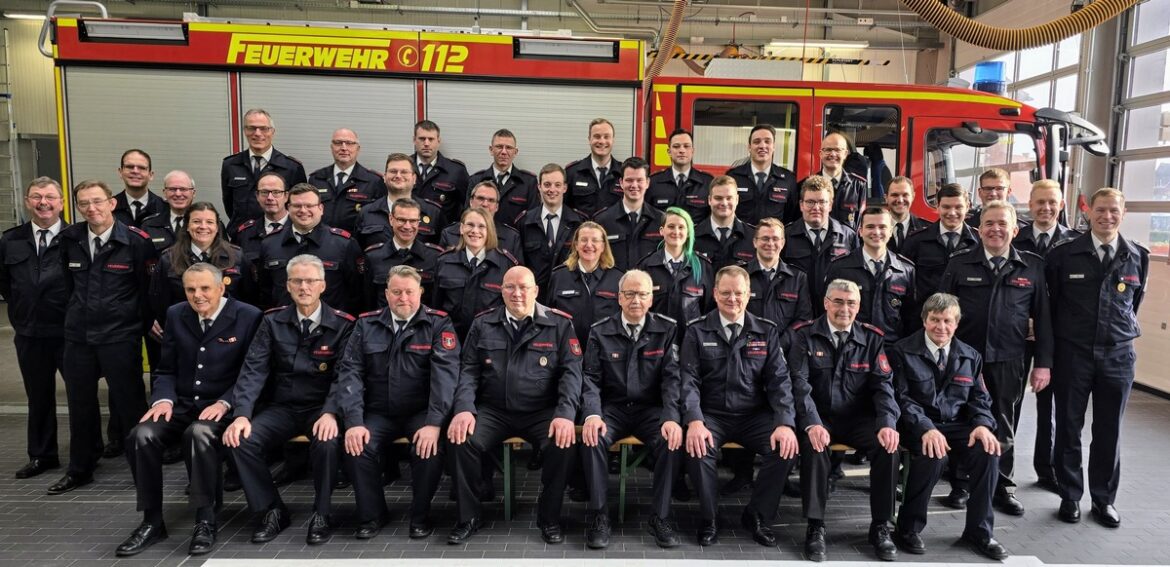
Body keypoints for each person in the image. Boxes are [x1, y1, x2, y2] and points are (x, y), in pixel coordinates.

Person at [115, 263, 263, 557]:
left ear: (222, 287)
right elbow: (166, 368)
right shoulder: (176, 314)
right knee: (140, 435)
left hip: (223, 407)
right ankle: (152, 521)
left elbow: (253, 372)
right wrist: (163, 400)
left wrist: (226, 401)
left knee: (198, 435)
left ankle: (205, 520)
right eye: (191, 289)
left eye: (205, 288)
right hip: (181, 404)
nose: (198, 296)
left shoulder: (248, 316)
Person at [446, 266, 583, 545]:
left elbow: (572, 373)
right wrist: (463, 409)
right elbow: (468, 371)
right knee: (461, 440)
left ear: (536, 290)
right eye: (510, 287)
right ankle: (469, 516)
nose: (517, 293)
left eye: (523, 287)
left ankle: (549, 518)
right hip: (494, 410)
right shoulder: (483, 323)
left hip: (541, 411)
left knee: (564, 443)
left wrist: (566, 414)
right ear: (501, 290)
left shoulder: (559, 324)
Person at [223, 254, 354, 545]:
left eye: (310, 281)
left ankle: (323, 512)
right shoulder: (271, 321)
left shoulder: (343, 325)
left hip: (320, 410)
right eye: (297, 281)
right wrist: (242, 414)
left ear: (323, 285)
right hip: (282, 408)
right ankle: (271, 509)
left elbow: (345, 376)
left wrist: (332, 413)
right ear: (288, 285)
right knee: (240, 440)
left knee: (328, 443)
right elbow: (253, 370)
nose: (304, 287)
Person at [940, 201, 1051, 516]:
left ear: (1015, 230)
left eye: (1002, 223)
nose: (995, 229)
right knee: (962, 418)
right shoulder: (960, 264)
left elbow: (1043, 319)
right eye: (989, 223)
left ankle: (1002, 486)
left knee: (1004, 421)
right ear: (979, 229)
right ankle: (961, 484)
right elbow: (940, 311)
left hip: (1008, 358)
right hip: (964, 359)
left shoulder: (1032, 267)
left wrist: (1043, 363)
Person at [1047, 187, 1148, 528]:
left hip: (1118, 356)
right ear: (1089, 211)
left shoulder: (1138, 256)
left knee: (1109, 430)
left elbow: (1132, 307)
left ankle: (1103, 500)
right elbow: (1052, 304)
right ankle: (1070, 496)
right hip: (1073, 353)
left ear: (1123, 213)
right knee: (1069, 427)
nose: (1107, 217)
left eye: (1113, 211)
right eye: (1100, 210)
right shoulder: (1064, 255)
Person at [680, 265, 802, 547]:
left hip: (753, 415)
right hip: (712, 414)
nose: (732, 299)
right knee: (698, 449)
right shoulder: (697, 331)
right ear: (714, 293)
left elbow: (780, 381)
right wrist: (695, 420)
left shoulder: (766, 331)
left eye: (738, 293)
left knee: (784, 448)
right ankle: (710, 518)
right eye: (725, 293)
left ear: (749, 295)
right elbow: (688, 380)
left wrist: (784, 422)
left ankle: (757, 515)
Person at [337, 265, 460, 540]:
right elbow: (350, 373)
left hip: (420, 412)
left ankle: (420, 516)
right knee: (357, 447)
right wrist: (354, 422)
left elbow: (446, 377)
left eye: (409, 292)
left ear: (421, 293)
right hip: (378, 412)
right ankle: (372, 515)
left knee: (428, 450)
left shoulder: (439, 323)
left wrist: (434, 423)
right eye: (396, 292)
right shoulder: (366, 324)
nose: (403, 298)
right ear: (386, 294)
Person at [51, 180, 158, 495]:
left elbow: (146, 291)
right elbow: (68, 288)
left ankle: (143, 470)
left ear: (112, 203)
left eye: (97, 201)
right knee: (80, 405)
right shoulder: (69, 239)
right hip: (79, 337)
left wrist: (135, 324)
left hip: (119, 336)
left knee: (131, 405)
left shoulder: (137, 242)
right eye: (84, 203)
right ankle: (80, 469)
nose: (91, 208)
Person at [888, 292, 1007, 560]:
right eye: (935, 320)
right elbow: (902, 399)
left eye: (947, 321)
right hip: (917, 425)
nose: (941, 327)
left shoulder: (970, 355)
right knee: (934, 454)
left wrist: (982, 425)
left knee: (988, 452)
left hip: (957, 425)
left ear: (957, 323)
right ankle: (908, 528)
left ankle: (979, 532)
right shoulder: (902, 351)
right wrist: (926, 428)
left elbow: (979, 399)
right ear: (924, 320)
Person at [787, 279, 900, 561]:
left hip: (857, 419)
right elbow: (798, 383)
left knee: (888, 447)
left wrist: (887, 422)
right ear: (826, 303)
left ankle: (880, 526)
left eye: (851, 303)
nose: (844, 309)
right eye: (838, 301)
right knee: (814, 447)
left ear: (859, 306)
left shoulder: (872, 338)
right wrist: (812, 422)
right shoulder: (804, 335)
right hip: (820, 417)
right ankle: (815, 526)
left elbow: (883, 386)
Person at [580, 269, 683, 549]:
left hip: (650, 410)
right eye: (629, 293)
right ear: (619, 298)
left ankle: (660, 516)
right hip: (612, 409)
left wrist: (671, 417)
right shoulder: (600, 331)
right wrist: (592, 415)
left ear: (651, 299)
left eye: (642, 294)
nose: (636, 299)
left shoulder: (667, 328)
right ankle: (599, 515)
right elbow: (590, 378)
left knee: (671, 441)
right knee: (592, 438)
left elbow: (672, 379)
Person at [1012, 179, 1079, 492]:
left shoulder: (1075, 244)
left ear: (1061, 205)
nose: (1046, 208)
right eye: (1040, 202)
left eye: (1052, 202)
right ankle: (1002, 471)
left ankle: (1047, 469)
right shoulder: (1015, 238)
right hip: (1017, 335)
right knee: (1007, 403)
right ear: (1030, 203)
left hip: (1059, 338)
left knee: (1050, 406)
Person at [1, 177, 67, 479]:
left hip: (68, 333)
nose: (44, 202)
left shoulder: (74, 237)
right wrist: (18, 314)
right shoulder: (10, 240)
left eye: (50, 197)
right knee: (38, 396)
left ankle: (86, 454)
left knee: (81, 396)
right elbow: (6, 285)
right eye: (37, 197)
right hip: (29, 333)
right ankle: (42, 455)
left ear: (61, 203)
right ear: (27, 201)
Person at [150, 202, 253, 342]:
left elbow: (248, 298)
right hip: (184, 335)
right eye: (196, 221)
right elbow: (160, 302)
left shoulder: (236, 257)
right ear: (187, 226)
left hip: (228, 335)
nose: (203, 227)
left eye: (209, 222)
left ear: (217, 227)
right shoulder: (169, 259)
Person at [255, 183, 364, 314]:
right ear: (288, 208)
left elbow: (357, 294)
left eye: (309, 205)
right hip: (282, 327)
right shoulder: (270, 244)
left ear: (321, 208)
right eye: (297, 206)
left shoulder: (344, 244)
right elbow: (264, 292)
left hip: (332, 328)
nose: (303, 210)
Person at [825, 206, 916, 343]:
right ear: (860, 231)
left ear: (891, 231)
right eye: (870, 227)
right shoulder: (840, 268)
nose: (876, 232)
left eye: (882, 227)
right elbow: (828, 310)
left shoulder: (905, 270)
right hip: (852, 348)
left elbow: (911, 317)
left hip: (891, 350)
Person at [432, 207, 519, 338]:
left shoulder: (506, 265)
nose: (475, 231)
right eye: (470, 225)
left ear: (489, 231)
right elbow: (436, 307)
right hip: (451, 339)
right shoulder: (444, 261)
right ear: (461, 228)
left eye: (481, 226)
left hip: (489, 340)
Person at [781, 175, 860, 311]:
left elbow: (857, 278)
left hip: (834, 313)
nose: (816, 207)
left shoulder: (848, 236)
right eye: (810, 202)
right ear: (801, 205)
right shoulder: (785, 236)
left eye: (822, 202)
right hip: (797, 312)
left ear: (830, 205)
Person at [221, 108, 307, 229]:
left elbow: (299, 205)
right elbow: (229, 205)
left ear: (272, 132)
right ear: (245, 131)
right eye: (251, 128)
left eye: (263, 128)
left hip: (280, 237)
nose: (257, 133)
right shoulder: (230, 165)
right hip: (241, 237)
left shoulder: (292, 167)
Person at [635, 208, 712, 343]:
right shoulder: (646, 266)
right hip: (655, 344)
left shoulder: (702, 267)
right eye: (671, 226)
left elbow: (709, 310)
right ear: (661, 231)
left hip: (691, 344)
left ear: (688, 232)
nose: (676, 232)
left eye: (681, 227)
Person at [900, 183, 980, 308]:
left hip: (966, 321)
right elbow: (903, 283)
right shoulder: (916, 240)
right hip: (925, 319)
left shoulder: (979, 241)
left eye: (958, 207)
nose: (952, 213)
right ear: (937, 206)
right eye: (946, 207)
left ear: (968, 207)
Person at [545, 222, 623, 343]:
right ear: (576, 244)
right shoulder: (559, 276)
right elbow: (549, 316)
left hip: (605, 350)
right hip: (566, 348)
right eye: (584, 240)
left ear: (603, 246)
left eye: (595, 240)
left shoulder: (617, 278)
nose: (589, 245)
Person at [362, 198, 444, 309]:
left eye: (413, 221)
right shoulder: (373, 257)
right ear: (391, 219)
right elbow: (368, 301)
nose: (407, 226)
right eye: (401, 220)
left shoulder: (435, 257)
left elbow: (437, 302)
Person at [741, 217, 813, 337]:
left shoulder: (798, 278)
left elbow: (803, 319)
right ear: (754, 242)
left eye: (775, 239)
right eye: (765, 238)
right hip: (747, 347)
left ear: (783, 243)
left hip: (785, 350)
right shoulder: (741, 275)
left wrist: (781, 343)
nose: (770, 244)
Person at [307, 128, 387, 233]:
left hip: (356, 244)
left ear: (358, 149)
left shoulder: (374, 181)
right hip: (321, 243)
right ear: (331, 147)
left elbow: (379, 218)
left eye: (349, 143)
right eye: (338, 143)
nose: (344, 148)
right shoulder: (316, 179)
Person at [356, 153, 444, 247]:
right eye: (393, 171)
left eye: (404, 172)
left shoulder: (432, 212)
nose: (398, 176)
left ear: (414, 179)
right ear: (384, 177)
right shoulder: (367, 212)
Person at [517, 165, 584, 288]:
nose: (552, 190)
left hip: (567, 293)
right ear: (539, 187)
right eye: (547, 185)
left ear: (565, 188)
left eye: (557, 185)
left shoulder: (578, 223)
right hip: (534, 295)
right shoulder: (524, 222)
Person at [594, 157, 665, 271]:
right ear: (621, 183)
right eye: (629, 180)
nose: (634, 185)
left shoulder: (661, 220)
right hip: (614, 287)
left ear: (647, 183)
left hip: (649, 287)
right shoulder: (602, 221)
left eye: (639, 180)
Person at [724, 124, 799, 226]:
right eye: (756, 142)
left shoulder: (788, 180)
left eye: (767, 141)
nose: (762, 146)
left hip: (772, 241)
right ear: (749, 147)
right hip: (740, 240)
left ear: (774, 147)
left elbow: (791, 217)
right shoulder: (733, 177)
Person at [467, 129, 539, 230]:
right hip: (482, 241)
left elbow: (533, 221)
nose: (504, 152)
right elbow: (467, 216)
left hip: (515, 243)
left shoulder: (528, 182)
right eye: (499, 147)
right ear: (491, 150)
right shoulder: (476, 181)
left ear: (515, 152)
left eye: (509, 148)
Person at [440, 181, 524, 263]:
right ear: (471, 202)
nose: (485, 204)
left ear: (497, 206)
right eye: (480, 198)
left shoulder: (512, 238)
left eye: (491, 200)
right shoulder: (449, 234)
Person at [646, 128, 713, 222]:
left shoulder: (707, 183)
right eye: (676, 146)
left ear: (692, 151)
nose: (682, 150)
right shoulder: (653, 182)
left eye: (686, 146)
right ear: (669, 152)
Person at [803, 132, 867, 229]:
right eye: (828, 150)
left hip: (846, 243)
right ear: (820, 154)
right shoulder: (805, 185)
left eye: (837, 150)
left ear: (845, 154)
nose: (832, 154)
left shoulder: (858, 185)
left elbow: (860, 225)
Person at [411, 120, 470, 226]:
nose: (426, 143)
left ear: (439, 141)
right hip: (408, 231)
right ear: (414, 140)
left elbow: (468, 206)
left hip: (442, 236)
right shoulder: (403, 168)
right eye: (422, 139)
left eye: (431, 139)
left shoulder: (456, 171)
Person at [565, 118, 625, 218]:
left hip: (613, 233)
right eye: (597, 136)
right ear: (589, 139)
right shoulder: (572, 172)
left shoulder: (623, 173)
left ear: (613, 140)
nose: (602, 141)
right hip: (582, 232)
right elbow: (564, 210)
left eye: (607, 137)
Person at [693, 176, 756, 270]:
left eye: (729, 198)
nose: (724, 203)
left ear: (737, 200)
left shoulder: (753, 236)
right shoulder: (692, 236)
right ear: (709, 200)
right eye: (718, 198)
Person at [228, 172, 290, 264]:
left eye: (276, 192)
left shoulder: (299, 229)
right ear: (257, 196)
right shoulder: (244, 234)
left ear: (286, 196)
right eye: (264, 192)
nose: (270, 198)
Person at [140, 170, 199, 252]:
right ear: (164, 193)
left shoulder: (206, 225)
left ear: (193, 193)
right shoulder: (149, 225)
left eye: (183, 189)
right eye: (172, 189)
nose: (178, 194)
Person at [112, 149, 166, 228]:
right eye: (129, 167)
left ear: (151, 175)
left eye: (141, 167)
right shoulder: (109, 208)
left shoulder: (165, 209)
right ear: (120, 172)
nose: (135, 171)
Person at [885, 176, 930, 254]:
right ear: (886, 198)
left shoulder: (928, 230)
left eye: (905, 195)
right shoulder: (874, 229)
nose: (900, 200)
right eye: (895, 195)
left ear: (913, 196)